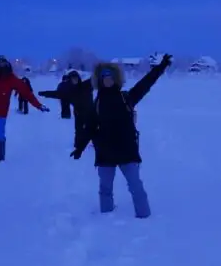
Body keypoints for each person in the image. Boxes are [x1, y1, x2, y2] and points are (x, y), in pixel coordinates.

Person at [72, 54, 172, 218]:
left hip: (127, 151)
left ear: (116, 78)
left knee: (136, 186)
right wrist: (80, 148)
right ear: (100, 79)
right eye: (104, 76)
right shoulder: (96, 104)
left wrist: (160, 67)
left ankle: (144, 218)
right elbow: (88, 128)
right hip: (105, 153)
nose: (107, 79)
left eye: (110, 76)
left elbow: (145, 84)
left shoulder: (127, 97)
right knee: (105, 189)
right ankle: (106, 218)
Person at [39, 69, 93, 146]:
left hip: (90, 111)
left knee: (92, 128)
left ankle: (97, 143)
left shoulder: (85, 85)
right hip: (78, 113)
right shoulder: (69, 91)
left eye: (76, 78)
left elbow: (95, 79)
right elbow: (57, 94)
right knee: (79, 130)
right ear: (70, 80)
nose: (75, 80)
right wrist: (45, 93)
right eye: (73, 78)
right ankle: (78, 144)